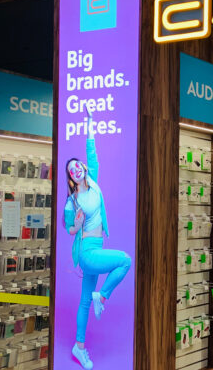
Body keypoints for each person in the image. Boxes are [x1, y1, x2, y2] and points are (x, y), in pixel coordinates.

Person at [64, 112, 131, 370]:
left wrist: (90, 124)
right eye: (72, 170)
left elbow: (92, 152)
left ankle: (79, 347)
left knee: (83, 302)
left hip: (97, 247)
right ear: (71, 177)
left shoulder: (93, 183)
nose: (76, 169)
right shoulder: (72, 201)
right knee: (124, 261)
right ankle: (102, 297)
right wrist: (77, 224)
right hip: (87, 253)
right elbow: (69, 229)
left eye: (78, 165)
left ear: (83, 168)